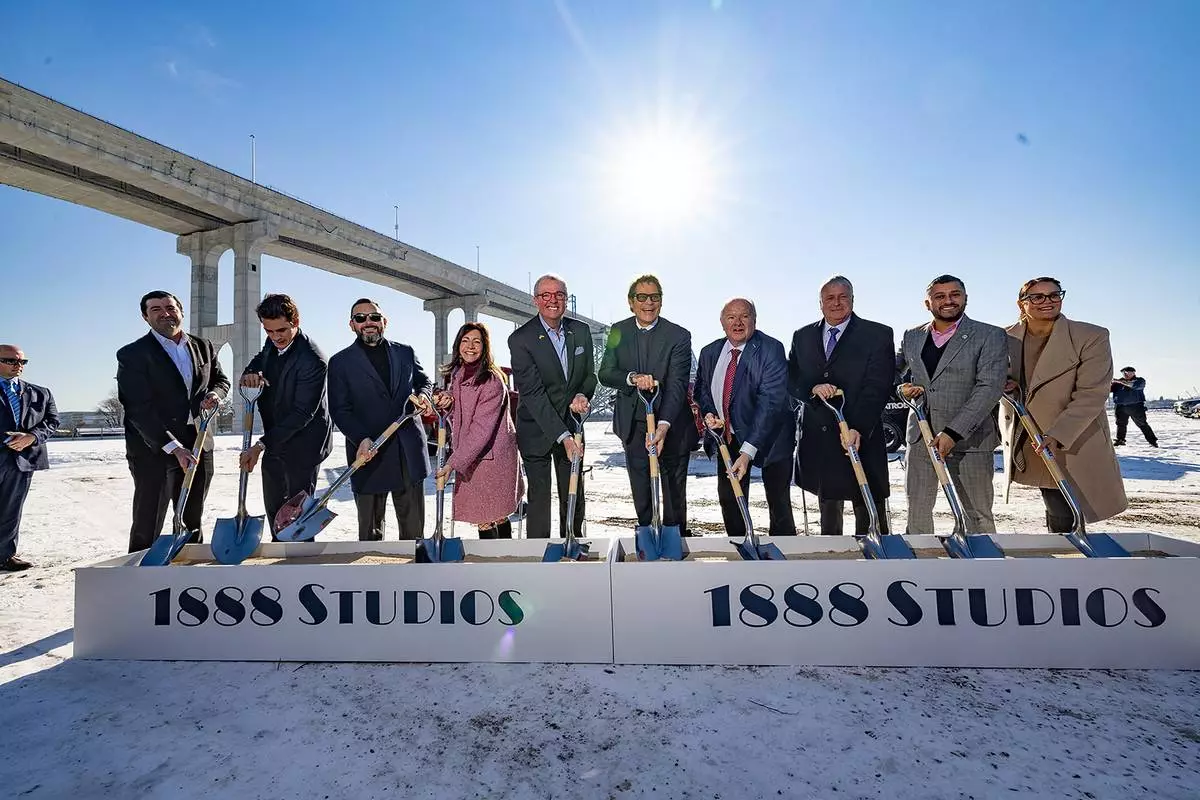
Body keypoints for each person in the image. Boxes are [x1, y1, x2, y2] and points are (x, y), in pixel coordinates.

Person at [1000, 277, 1128, 531]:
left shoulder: (1091, 336)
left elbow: (1092, 393)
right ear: (1021, 303)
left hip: (1071, 433)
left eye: (1054, 295)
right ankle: (1062, 547)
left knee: (1068, 501)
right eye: (1037, 297)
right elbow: (995, 376)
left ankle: (1068, 549)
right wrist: (1005, 384)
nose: (1047, 301)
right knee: (1054, 499)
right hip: (1028, 432)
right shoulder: (1003, 337)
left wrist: (1059, 434)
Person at [117, 291, 229, 553]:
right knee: (148, 519)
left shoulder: (203, 346)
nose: (165, 313)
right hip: (154, 447)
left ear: (181, 311)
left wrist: (215, 394)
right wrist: (174, 447)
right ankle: (141, 570)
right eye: (156, 309)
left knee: (192, 518)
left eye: (170, 307)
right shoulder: (133, 354)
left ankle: (189, 568)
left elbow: (221, 380)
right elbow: (138, 408)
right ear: (145, 317)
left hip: (199, 442)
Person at [896, 275, 1008, 535]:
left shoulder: (990, 335)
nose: (948, 301)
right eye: (940, 296)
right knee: (917, 512)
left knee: (976, 514)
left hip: (970, 440)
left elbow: (989, 387)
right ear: (928, 303)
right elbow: (892, 372)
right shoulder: (912, 336)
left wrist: (953, 432)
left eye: (955, 294)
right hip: (921, 437)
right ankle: (922, 559)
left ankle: (981, 558)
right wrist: (901, 388)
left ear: (965, 298)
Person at [788, 276, 894, 536]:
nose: (836, 303)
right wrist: (811, 389)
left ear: (852, 300)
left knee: (867, 505)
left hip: (860, 436)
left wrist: (858, 427)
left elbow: (878, 386)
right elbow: (792, 378)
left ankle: (874, 552)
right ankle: (831, 552)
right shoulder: (802, 336)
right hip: (820, 438)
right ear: (820, 303)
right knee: (828, 508)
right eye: (830, 298)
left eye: (842, 297)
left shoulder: (877, 335)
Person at [599, 274, 699, 535]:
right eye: (642, 297)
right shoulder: (618, 331)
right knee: (641, 486)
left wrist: (663, 425)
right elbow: (606, 373)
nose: (648, 303)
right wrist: (632, 378)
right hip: (633, 424)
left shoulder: (678, 335)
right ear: (631, 302)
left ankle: (675, 535)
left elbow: (677, 384)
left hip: (671, 422)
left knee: (673, 488)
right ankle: (647, 532)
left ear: (661, 301)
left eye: (654, 297)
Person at [328, 298, 433, 541]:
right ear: (352, 325)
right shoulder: (340, 362)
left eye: (374, 317)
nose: (368, 322)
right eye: (360, 318)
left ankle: (414, 566)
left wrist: (423, 395)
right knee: (370, 536)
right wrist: (361, 438)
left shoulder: (405, 352)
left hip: (408, 452)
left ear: (384, 321)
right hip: (369, 453)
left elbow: (424, 382)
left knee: (414, 534)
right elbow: (340, 410)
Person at [693, 298, 796, 537]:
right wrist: (709, 413)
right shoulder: (709, 352)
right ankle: (741, 546)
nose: (737, 322)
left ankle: (783, 550)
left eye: (744, 316)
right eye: (731, 317)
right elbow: (702, 389)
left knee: (778, 501)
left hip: (771, 437)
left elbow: (770, 402)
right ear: (722, 322)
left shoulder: (771, 349)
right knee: (730, 499)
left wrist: (748, 452)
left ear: (754, 320)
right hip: (728, 436)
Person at [507, 274, 596, 539]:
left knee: (574, 492)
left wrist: (581, 394)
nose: (552, 300)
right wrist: (564, 437)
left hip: (573, 423)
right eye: (545, 295)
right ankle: (539, 551)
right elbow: (532, 393)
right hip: (536, 429)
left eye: (559, 294)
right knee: (539, 499)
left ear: (566, 299)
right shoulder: (520, 339)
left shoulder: (581, 331)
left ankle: (573, 542)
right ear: (535, 300)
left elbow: (589, 375)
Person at [238, 294, 334, 537]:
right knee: (274, 506)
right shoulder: (272, 341)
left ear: (295, 322)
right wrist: (251, 372)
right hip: (276, 437)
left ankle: (299, 554)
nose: (275, 337)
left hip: (305, 444)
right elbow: (261, 359)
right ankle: (277, 550)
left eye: (281, 330)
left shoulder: (313, 359)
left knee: (296, 517)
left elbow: (303, 413)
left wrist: (260, 445)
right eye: (268, 331)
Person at [433, 323, 524, 538]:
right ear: (458, 346)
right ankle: (494, 557)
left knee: (494, 514)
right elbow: (462, 412)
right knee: (484, 517)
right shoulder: (459, 374)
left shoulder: (492, 381)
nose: (470, 346)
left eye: (477, 341)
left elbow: (481, 429)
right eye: (465, 341)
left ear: (485, 347)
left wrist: (453, 463)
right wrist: (449, 401)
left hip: (493, 458)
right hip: (473, 456)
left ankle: (503, 555)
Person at [0, 345, 59, 571]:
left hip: (23, 460)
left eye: (22, 362)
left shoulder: (40, 393)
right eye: (11, 361)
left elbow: (52, 421)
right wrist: (7, 439)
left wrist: (32, 437)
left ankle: (5, 556)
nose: (18, 366)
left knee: (11, 510)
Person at [1111, 366, 1158, 447]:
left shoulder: (1139, 381)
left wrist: (1119, 381)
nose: (1125, 374)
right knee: (1120, 424)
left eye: (1127, 372)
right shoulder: (1117, 383)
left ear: (1133, 373)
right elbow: (1108, 389)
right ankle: (1120, 439)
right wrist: (1109, 382)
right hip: (1120, 406)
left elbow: (1134, 386)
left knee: (1142, 424)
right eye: (1123, 373)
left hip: (1136, 407)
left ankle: (1152, 441)